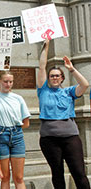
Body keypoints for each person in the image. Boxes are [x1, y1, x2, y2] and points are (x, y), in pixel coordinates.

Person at [37, 39, 90, 189]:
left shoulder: (69, 92)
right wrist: (46, 46)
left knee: (79, 172)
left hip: (70, 138)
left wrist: (71, 68)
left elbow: (85, 84)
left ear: (62, 78)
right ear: (48, 79)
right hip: (49, 140)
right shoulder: (43, 91)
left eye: (57, 76)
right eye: (52, 76)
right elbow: (41, 67)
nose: (54, 78)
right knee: (57, 172)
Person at [0, 69, 30, 188]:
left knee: (19, 177)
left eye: (11, 81)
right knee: (4, 176)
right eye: (5, 81)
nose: (8, 84)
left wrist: (16, 130)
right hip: (0, 135)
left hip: (16, 136)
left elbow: (26, 122)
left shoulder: (18, 98)